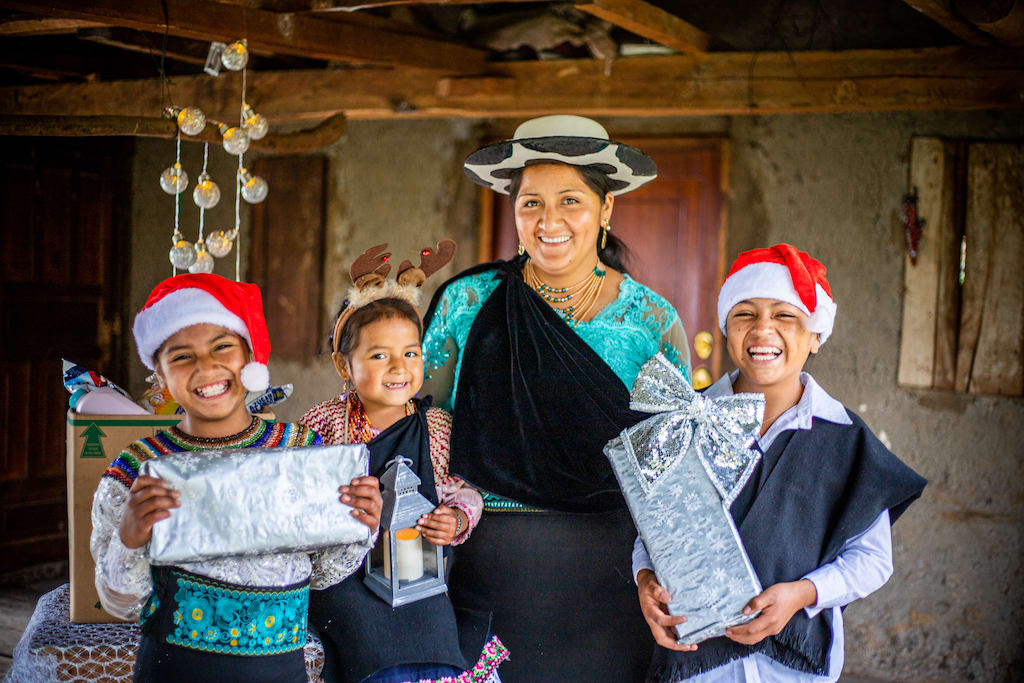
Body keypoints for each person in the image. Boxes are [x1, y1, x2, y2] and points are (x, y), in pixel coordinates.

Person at [421, 115, 690, 681]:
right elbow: (420, 427)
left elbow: (673, 469)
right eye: (530, 204)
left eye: (571, 200)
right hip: (484, 558)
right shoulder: (466, 302)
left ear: (605, 209)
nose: (549, 222)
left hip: (610, 572)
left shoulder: (651, 323)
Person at [633, 244, 927, 682]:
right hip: (694, 663)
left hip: (794, 666)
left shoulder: (845, 441)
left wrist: (803, 593)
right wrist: (645, 579)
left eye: (785, 316)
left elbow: (872, 560)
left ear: (815, 336)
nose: (762, 329)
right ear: (727, 330)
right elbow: (652, 533)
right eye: (745, 314)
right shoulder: (686, 424)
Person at [90, 273, 383, 683]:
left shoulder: (303, 453)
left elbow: (321, 575)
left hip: (280, 671)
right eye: (181, 357)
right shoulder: (138, 470)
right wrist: (129, 538)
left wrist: (359, 527)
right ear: (158, 374)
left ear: (250, 356)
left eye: (222, 347)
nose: (207, 367)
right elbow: (120, 601)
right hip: (175, 671)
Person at [300, 243, 508, 683]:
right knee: (373, 645)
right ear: (343, 364)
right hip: (345, 575)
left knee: (432, 629)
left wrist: (455, 518)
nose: (399, 367)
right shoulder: (323, 424)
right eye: (379, 355)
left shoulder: (435, 426)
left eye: (410, 353)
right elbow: (298, 498)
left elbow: (464, 491)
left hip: (416, 570)